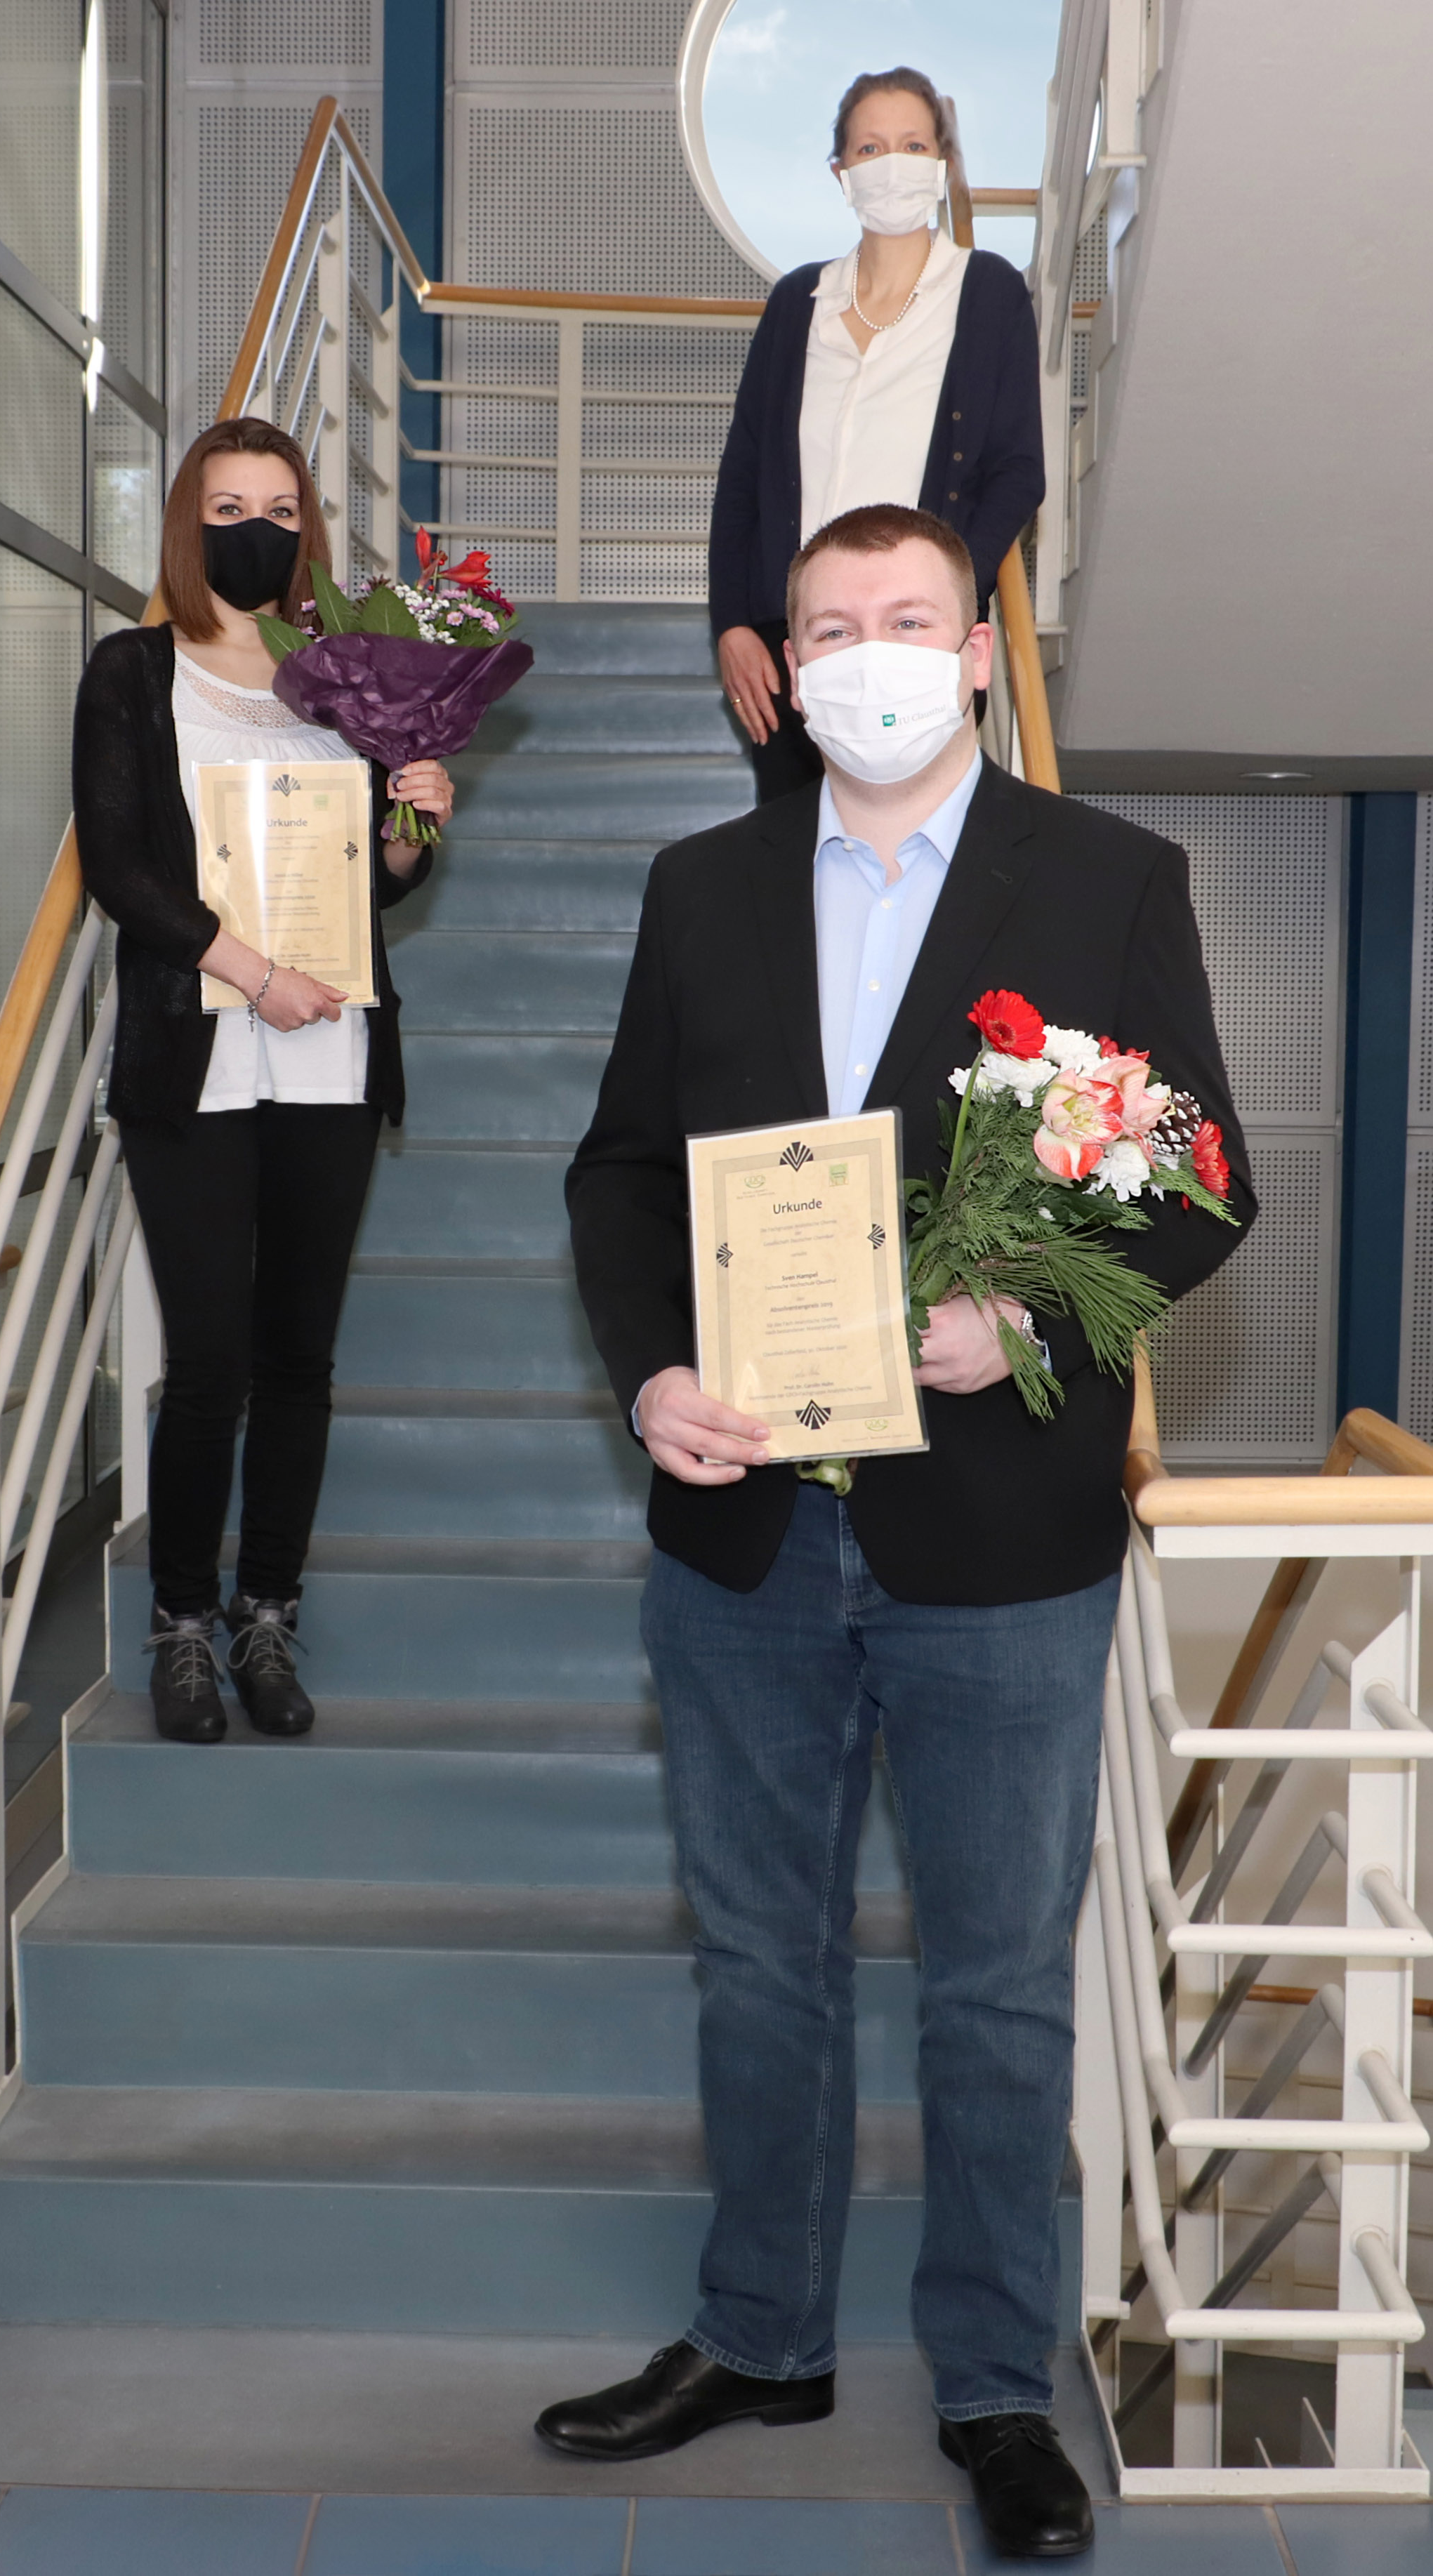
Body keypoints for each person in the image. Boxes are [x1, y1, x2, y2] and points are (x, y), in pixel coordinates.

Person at [550, 506, 1253, 2559]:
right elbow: (620, 1176)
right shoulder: (699, 886)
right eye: (826, 623)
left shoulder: (1105, 878)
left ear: (967, 651)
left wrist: (1022, 1317)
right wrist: (649, 1376)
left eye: (905, 618)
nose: (865, 651)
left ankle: (990, 2386)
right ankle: (757, 2333)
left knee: (994, 1983)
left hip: (999, 1536)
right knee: (758, 1961)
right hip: (744, 1535)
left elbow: (1195, 1179)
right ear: (780, 665)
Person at [72, 418, 453, 1745]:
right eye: (229, 506)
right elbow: (119, 866)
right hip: (199, 1054)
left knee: (299, 1356)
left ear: (309, 529)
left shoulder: (341, 673)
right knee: (211, 1361)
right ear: (190, 520)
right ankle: (183, 1620)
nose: (256, 528)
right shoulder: (133, 670)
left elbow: (372, 882)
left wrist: (412, 822)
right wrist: (251, 968)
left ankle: (267, 1612)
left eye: (281, 509)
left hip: (329, 1053)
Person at [709, 66, 1044, 802]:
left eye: (912, 145)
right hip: (799, 640)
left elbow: (1018, 471)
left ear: (942, 163)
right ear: (840, 171)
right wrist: (733, 623)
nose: (892, 164)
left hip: (924, 637)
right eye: (870, 148)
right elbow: (743, 479)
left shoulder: (987, 292)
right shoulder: (796, 302)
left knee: (928, 831)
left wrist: (950, 599)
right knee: (796, 840)